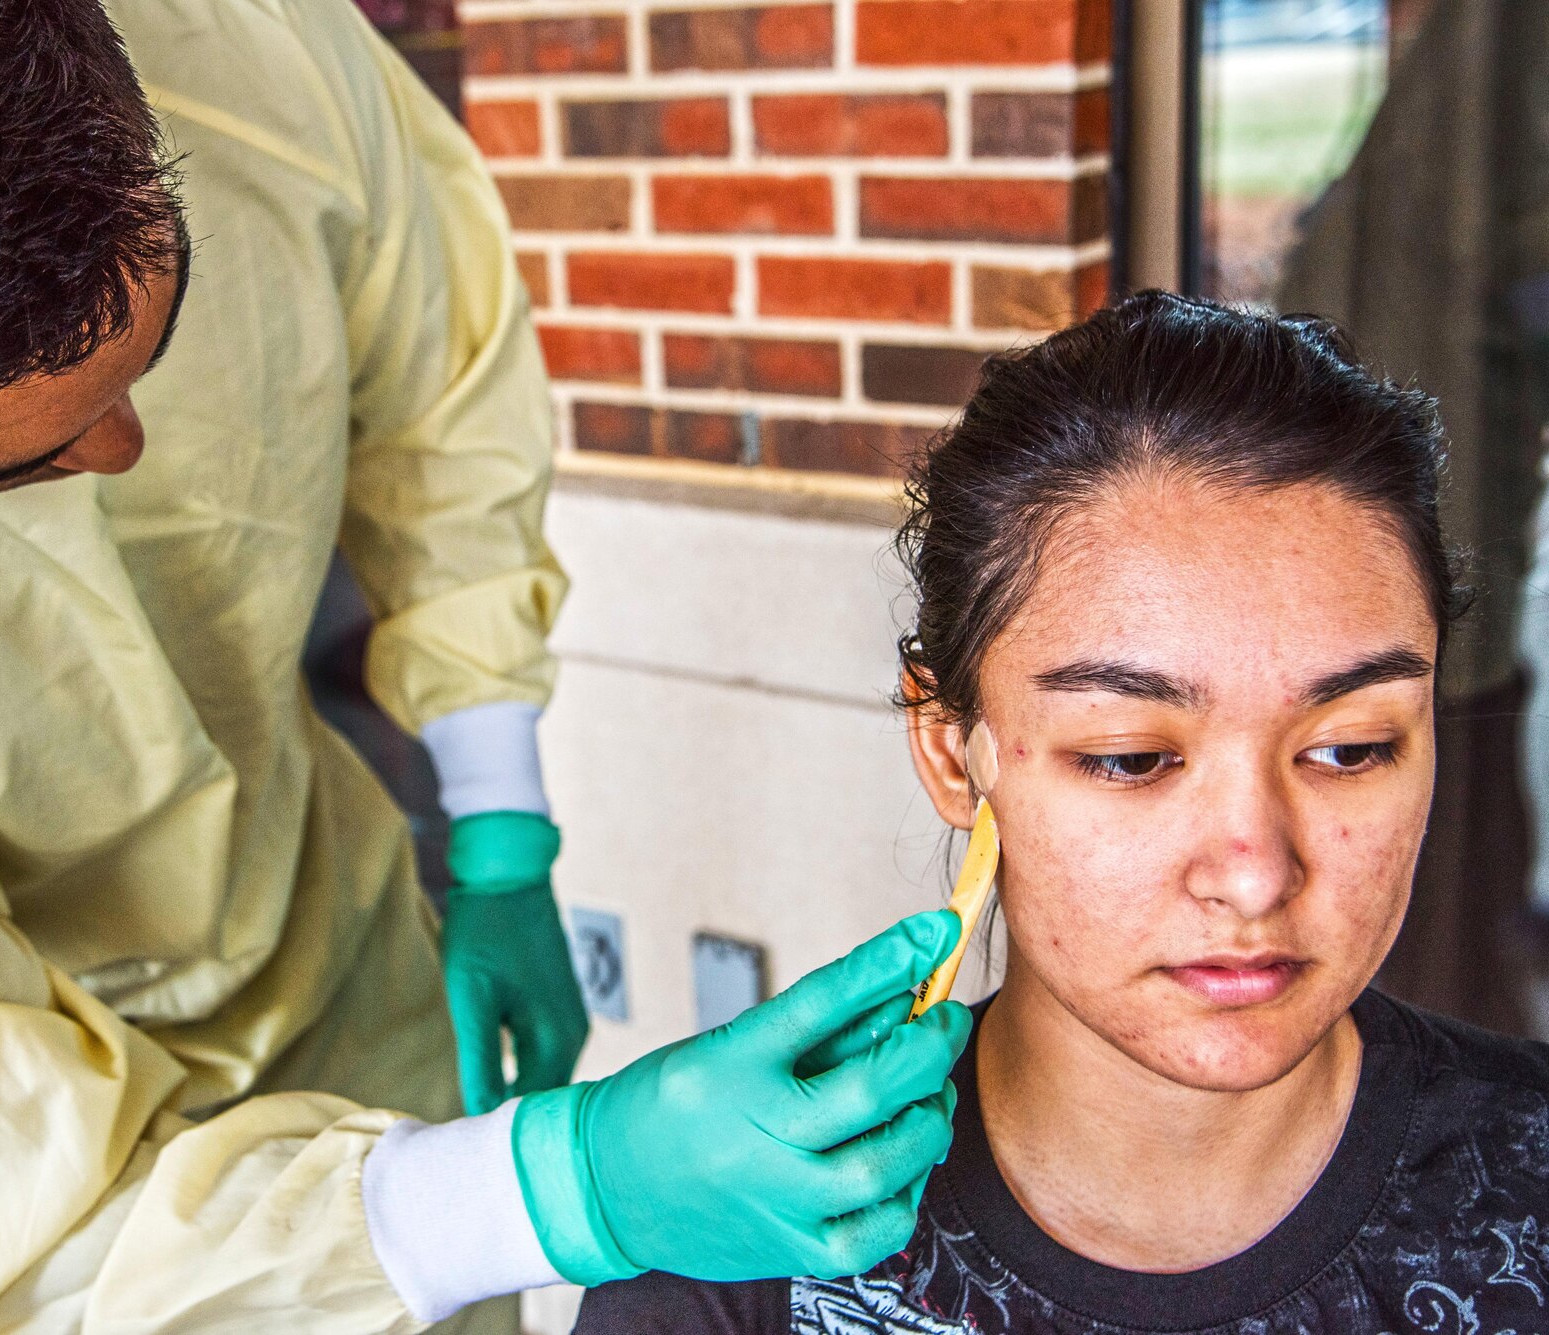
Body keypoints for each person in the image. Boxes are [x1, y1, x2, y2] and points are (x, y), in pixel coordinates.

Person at [0, 2, 968, 1332]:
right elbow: (10, 1222)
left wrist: (495, 815)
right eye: (11, 459)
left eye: (151, 353)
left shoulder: (238, 38)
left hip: (322, 954)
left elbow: (437, 371)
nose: (119, 455)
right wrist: (563, 1187)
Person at [574, 292, 1549, 1335]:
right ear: (953, 751)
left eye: (1349, 748)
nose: (1255, 873)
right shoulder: (743, 1255)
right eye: (1130, 759)